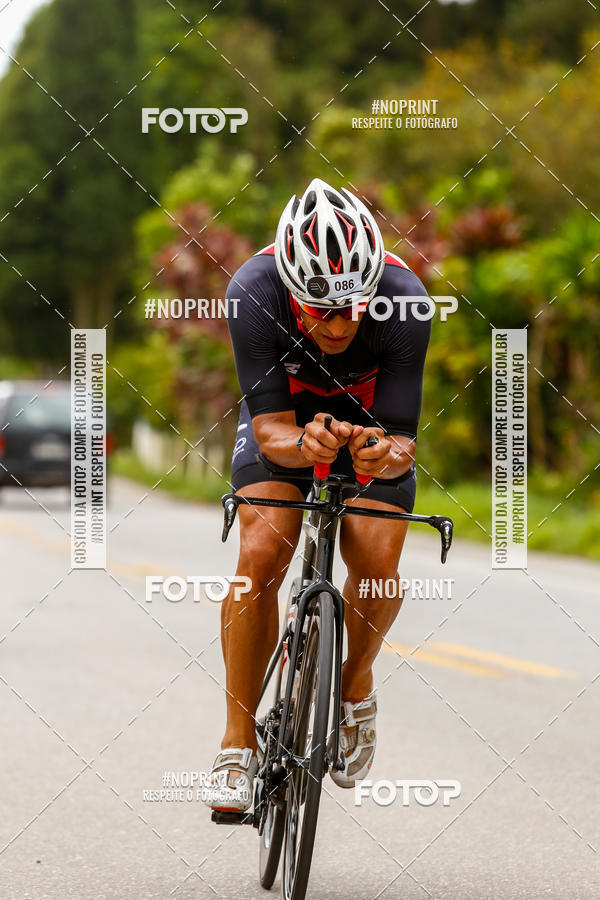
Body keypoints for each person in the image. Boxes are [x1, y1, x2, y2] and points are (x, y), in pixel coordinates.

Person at [204, 177, 431, 813]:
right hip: (287, 427)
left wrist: (383, 452)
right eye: (321, 310)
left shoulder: (406, 299)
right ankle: (237, 742)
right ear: (293, 291)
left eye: (354, 307)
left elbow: (403, 437)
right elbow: (272, 428)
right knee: (261, 550)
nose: (340, 324)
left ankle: (355, 683)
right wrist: (307, 447)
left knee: (376, 559)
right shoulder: (253, 291)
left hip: (367, 423)